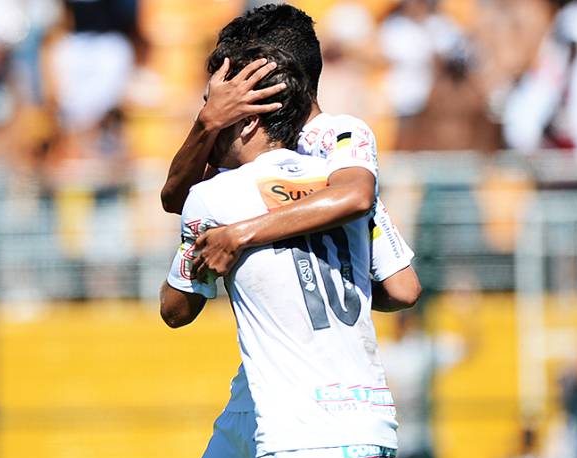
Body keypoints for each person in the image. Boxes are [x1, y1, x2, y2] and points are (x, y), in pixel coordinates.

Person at [161, 43, 397, 458]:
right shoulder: (335, 176)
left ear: (245, 117)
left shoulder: (217, 195)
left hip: (302, 437)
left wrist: (224, 240)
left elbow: (175, 309)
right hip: (362, 419)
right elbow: (403, 288)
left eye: (211, 105)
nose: (206, 118)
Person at [160, 3, 420, 310]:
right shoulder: (243, 147)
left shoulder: (339, 133)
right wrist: (207, 122)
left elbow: (357, 198)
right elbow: (177, 200)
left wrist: (242, 236)